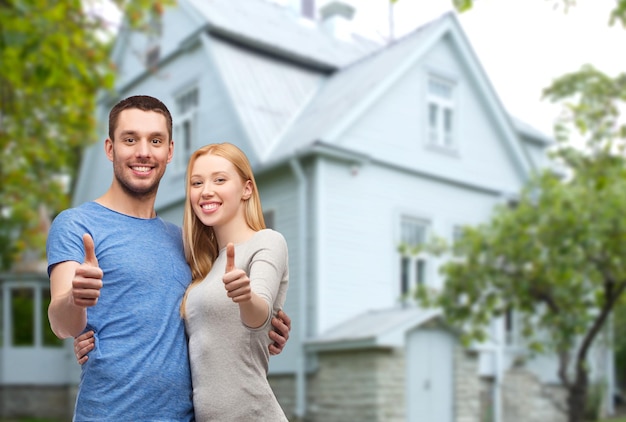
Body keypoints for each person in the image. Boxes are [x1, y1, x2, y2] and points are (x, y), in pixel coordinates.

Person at [47, 95, 290, 421]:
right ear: (110, 149)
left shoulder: (185, 243)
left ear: (170, 152)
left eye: (156, 140)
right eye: (130, 139)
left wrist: (268, 325)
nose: (143, 151)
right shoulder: (76, 224)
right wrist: (77, 298)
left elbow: (212, 314)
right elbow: (62, 324)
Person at [180, 143, 289, 421]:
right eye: (197, 182)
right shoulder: (205, 268)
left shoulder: (266, 241)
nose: (206, 190)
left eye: (219, 179)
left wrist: (245, 297)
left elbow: (260, 315)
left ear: (246, 189)